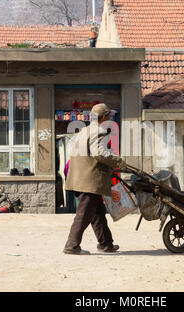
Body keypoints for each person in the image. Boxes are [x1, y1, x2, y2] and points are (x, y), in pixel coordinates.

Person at [63, 103, 127, 255]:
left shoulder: (84, 130)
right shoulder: (99, 132)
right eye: (109, 116)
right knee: (84, 215)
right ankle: (71, 246)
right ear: (104, 117)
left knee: (98, 213)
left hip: (80, 178)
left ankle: (106, 244)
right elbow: (99, 153)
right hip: (88, 181)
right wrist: (119, 162)